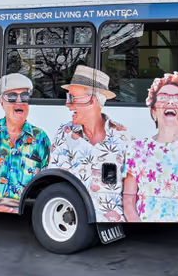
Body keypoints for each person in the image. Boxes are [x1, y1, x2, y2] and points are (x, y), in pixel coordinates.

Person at [123, 72, 178, 222]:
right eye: (163, 97)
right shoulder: (136, 149)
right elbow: (128, 201)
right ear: (153, 111)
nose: (170, 103)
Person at [48, 66, 128, 222]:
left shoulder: (121, 136)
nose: (67, 104)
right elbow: (54, 182)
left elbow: (130, 187)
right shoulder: (64, 133)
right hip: (74, 222)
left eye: (72, 98)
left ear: (92, 100)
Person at [0, 74, 50, 213]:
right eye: (12, 96)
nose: (19, 101)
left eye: (24, 96)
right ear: (2, 102)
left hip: (28, 210)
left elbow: (48, 182)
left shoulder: (41, 138)